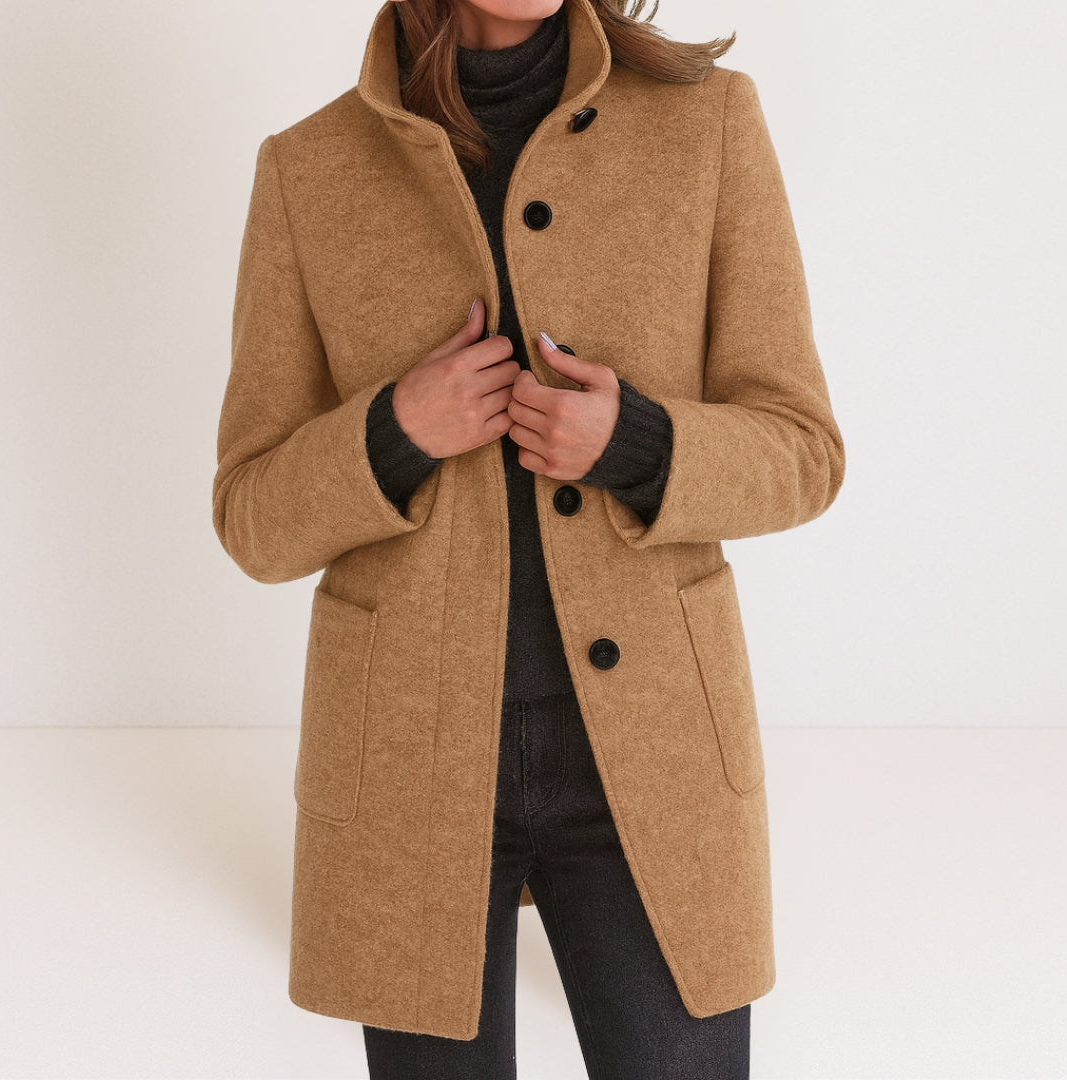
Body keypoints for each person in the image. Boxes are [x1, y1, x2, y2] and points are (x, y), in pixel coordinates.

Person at [212, 1, 846, 1077]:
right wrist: (395, 433)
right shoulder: (308, 170)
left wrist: (638, 443)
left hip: (653, 752)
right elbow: (252, 517)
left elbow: (805, 451)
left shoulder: (709, 125)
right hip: (410, 764)